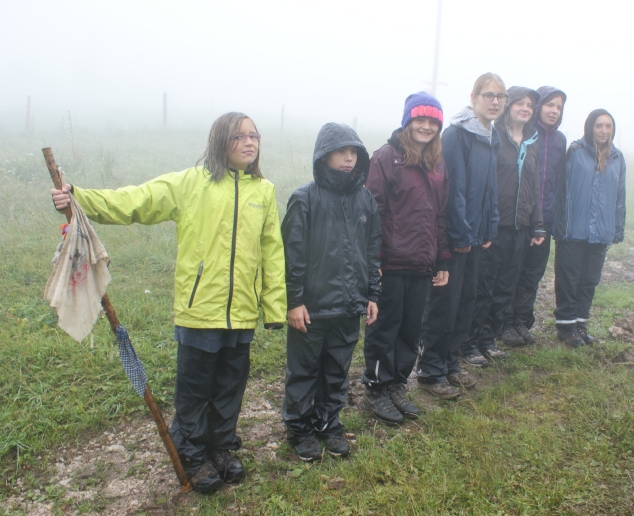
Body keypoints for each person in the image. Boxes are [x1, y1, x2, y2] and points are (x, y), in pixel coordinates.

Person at [49, 112, 287, 493]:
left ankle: (221, 447)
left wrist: (273, 307)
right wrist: (78, 198)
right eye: (239, 136)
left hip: (242, 314)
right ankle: (192, 453)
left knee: (230, 387)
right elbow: (135, 201)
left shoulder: (264, 191)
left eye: (254, 136)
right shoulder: (190, 184)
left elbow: (272, 250)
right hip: (199, 312)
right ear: (220, 141)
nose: (249, 142)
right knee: (195, 390)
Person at [281, 123, 381, 461]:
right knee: (304, 369)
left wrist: (372, 294)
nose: (349, 158)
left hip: (349, 306)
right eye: (341, 152)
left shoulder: (365, 199)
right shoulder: (305, 199)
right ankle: (299, 428)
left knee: (337, 369)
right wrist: (295, 301)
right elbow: (292, 255)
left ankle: (328, 422)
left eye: (354, 152)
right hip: (311, 309)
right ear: (324, 156)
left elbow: (372, 251)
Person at [361, 92, 450, 425]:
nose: (426, 127)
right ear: (407, 122)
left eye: (432, 122)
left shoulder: (438, 163)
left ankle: (397, 384)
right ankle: (376, 387)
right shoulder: (386, 158)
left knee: (411, 330)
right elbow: (374, 212)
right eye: (420, 120)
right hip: (392, 262)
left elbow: (440, 214)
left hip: (423, 262)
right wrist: (375, 262)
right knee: (385, 328)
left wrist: (442, 260)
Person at [416, 72, 505, 399]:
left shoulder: (490, 135)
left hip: (477, 237)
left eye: (500, 96)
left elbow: (490, 188)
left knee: (465, 303)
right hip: (457, 239)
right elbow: (453, 189)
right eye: (488, 95)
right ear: (474, 97)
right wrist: (462, 234)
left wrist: (489, 225)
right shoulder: (457, 135)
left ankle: (451, 365)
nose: (495, 102)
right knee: (444, 304)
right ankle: (431, 371)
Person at [464, 87, 546, 361]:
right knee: (483, 287)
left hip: (520, 228)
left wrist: (537, 223)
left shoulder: (532, 142)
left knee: (505, 288)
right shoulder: (494, 136)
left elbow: (535, 186)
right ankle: (469, 343)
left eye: (529, 105)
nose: (525, 108)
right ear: (508, 107)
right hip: (493, 226)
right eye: (519, 103)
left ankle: (488, 340)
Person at [552, 109, 626, 347]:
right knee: (569, 279)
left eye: (608, 126)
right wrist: (561, 225)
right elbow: (561, 189)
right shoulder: (575, 152)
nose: (603, 130)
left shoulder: (617, 158)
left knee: (589, 280)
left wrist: (617, 228)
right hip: (573, 230)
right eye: (599, 125)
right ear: (590, 127)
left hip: (601, 232)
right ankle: (566, 327)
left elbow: (620, 196)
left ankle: (581, 325)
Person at [505, 87, 568, 344]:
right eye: (550, 105)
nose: (554, 111)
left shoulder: (560, 141)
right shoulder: (527, 134)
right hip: (521, 217)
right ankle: (504, 323)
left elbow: (558, 181)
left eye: (559, 107)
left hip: (546, 218)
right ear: (539, 106)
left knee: (532, 274)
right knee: (513, 271)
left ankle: (521, 321)